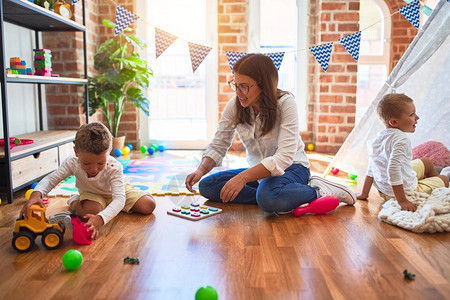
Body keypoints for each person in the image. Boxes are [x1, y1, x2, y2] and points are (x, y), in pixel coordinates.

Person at [185, 54, 356, 214]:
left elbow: (284, 158)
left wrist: (242, 179)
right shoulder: (235, 106)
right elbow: (219, 144)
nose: (238, 91)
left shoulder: (286, 103)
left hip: (293, 168)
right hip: (260, 172)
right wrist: (200, 171)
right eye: (235, 85)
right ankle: (277, 197)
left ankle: (317, 190)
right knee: (208, 185)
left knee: (267, 195)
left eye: (244, 86)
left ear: (263, 84)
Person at [19, 122, 156, 239]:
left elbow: (119, 198)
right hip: (92, 194)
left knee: (148, 205)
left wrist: (101, 219)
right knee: (93, 211)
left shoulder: (114, 167)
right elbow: (51, 179)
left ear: (108, 153)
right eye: (87, 164)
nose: (94, 169)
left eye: (100, 163)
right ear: (76, 152)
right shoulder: (72, 163)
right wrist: (36, 195)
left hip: (117, 191)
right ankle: (74, 201)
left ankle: (110, 209)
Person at [356, 93, 449, 211]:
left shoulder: (377, 139)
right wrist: (403, 201)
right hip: (401, 193)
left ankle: (429, 183)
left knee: (426, 162)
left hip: (385, 190)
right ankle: (433, 186)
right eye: (411, 115)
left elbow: (371, 167)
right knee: (445, 180)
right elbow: (393, 170)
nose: (417, 117)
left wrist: (364, 193)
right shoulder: (402, 140)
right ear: (394, 122)